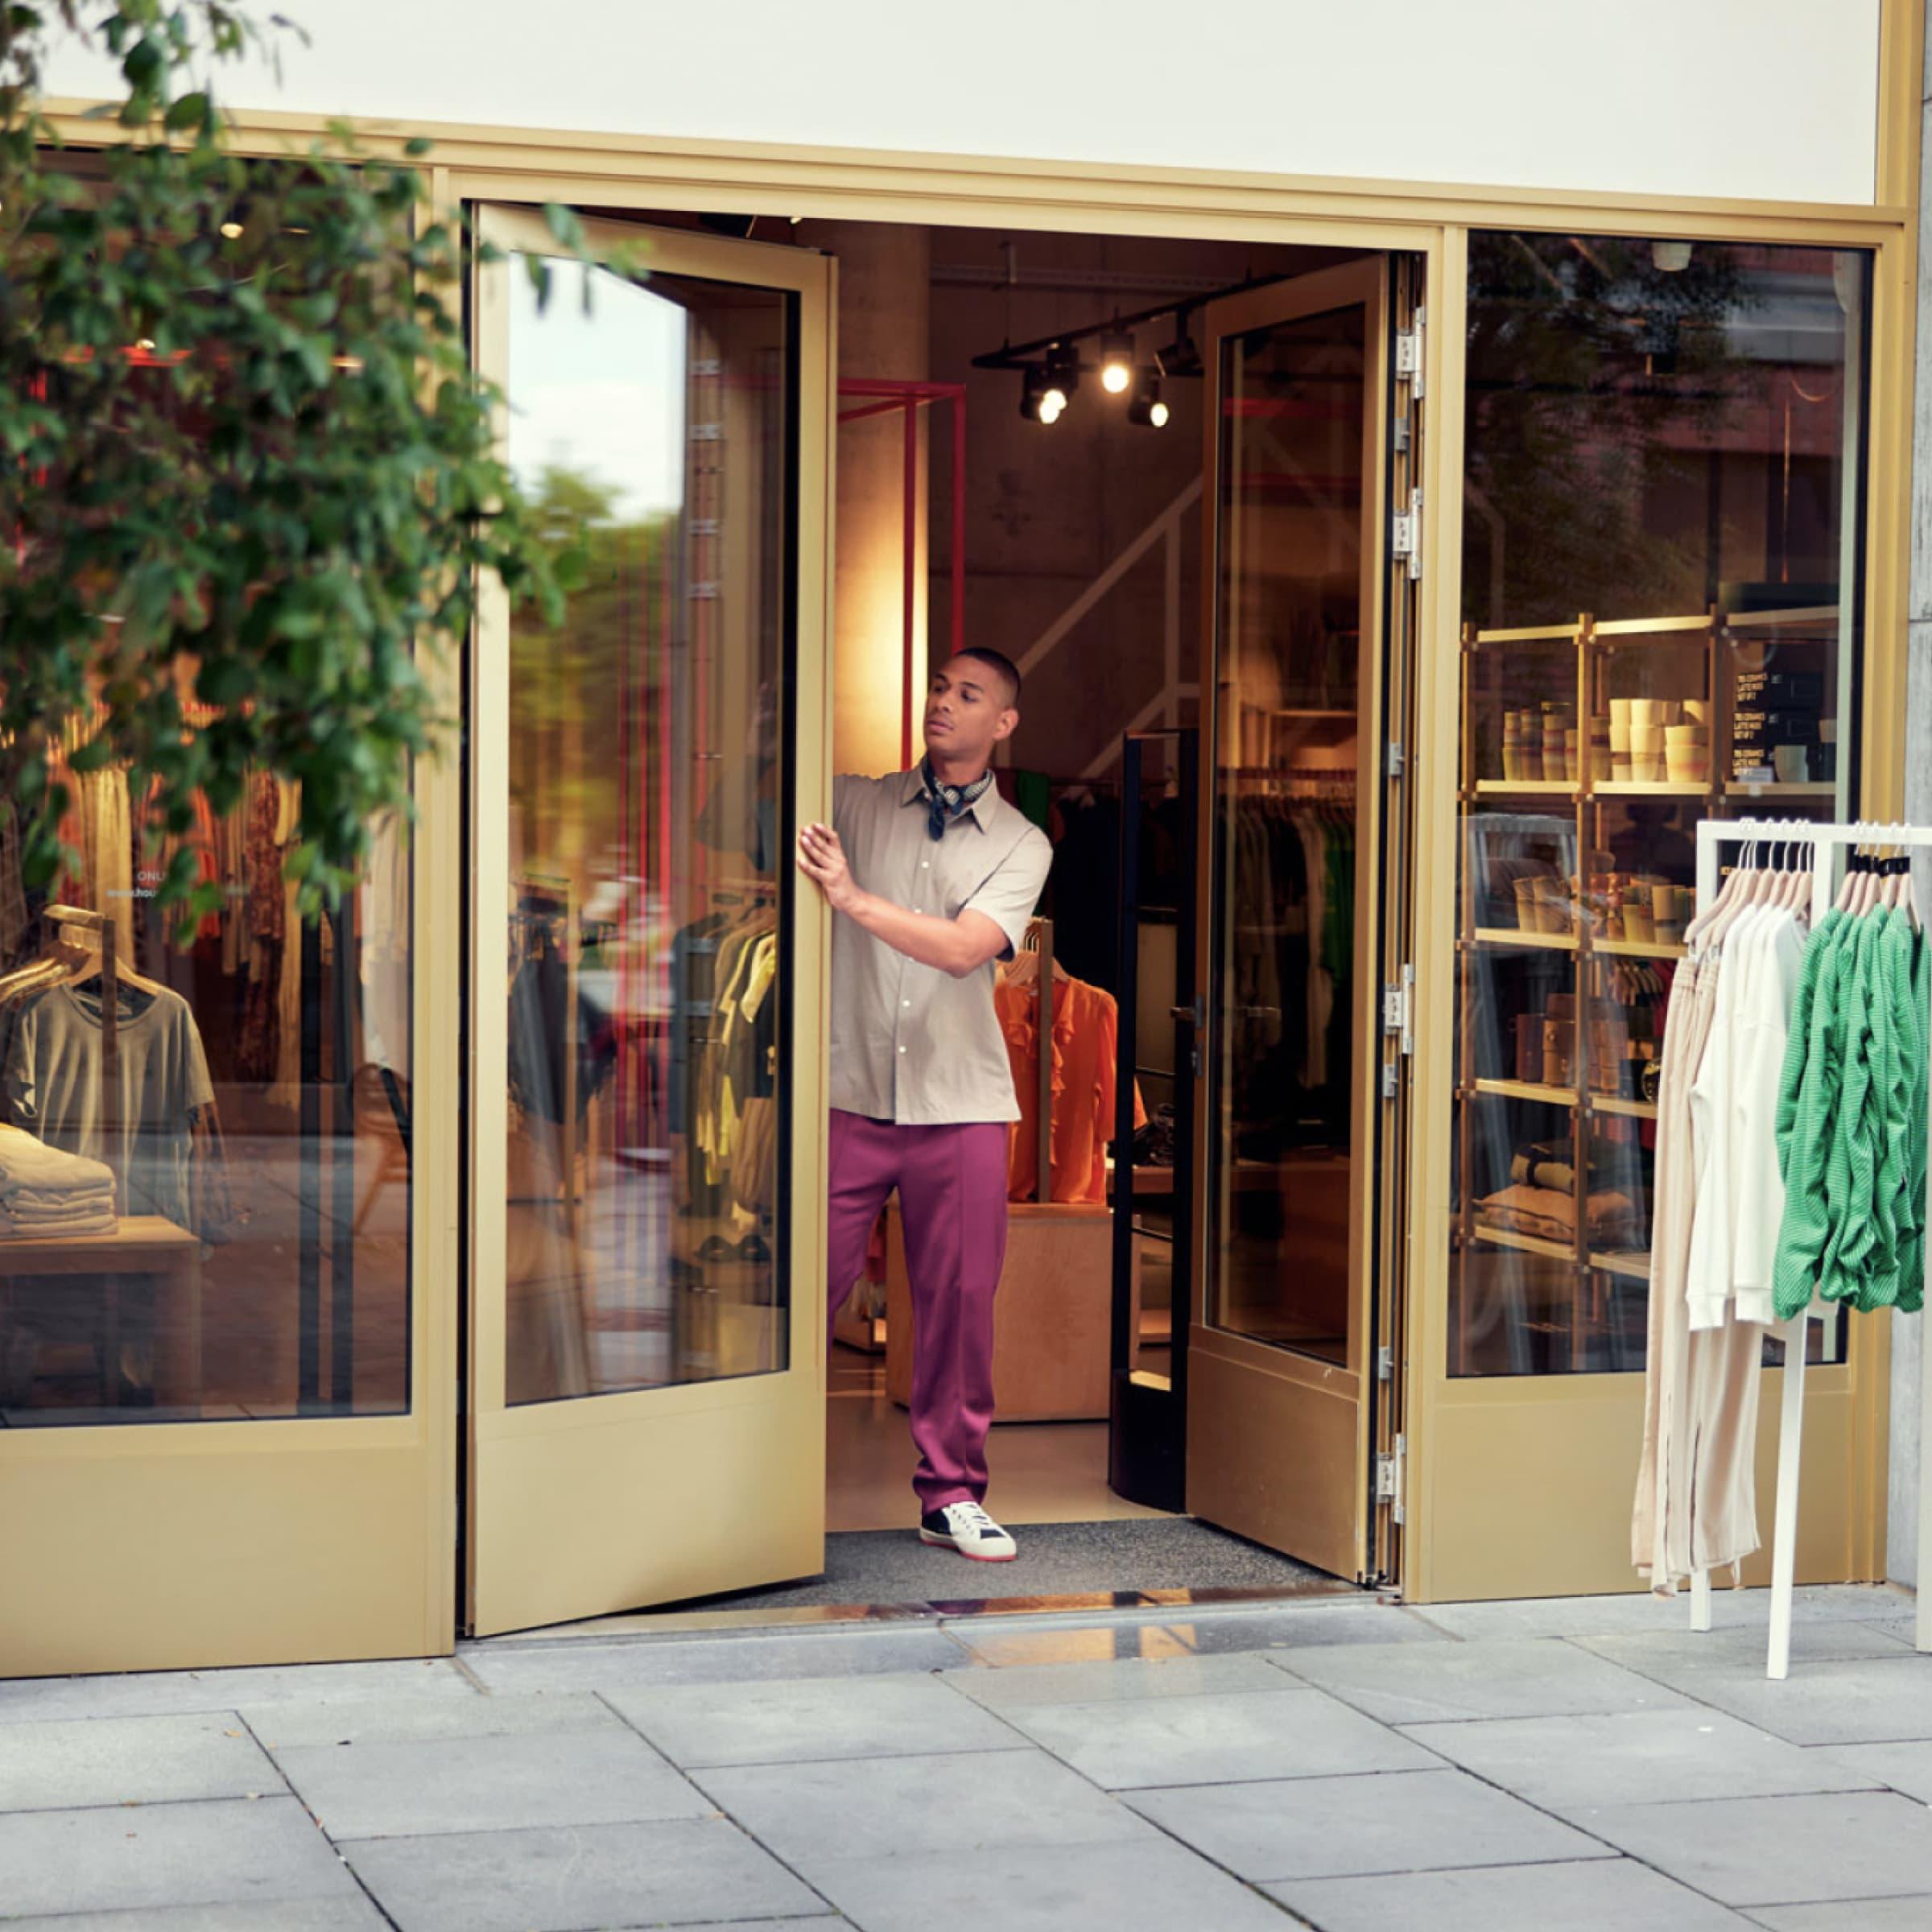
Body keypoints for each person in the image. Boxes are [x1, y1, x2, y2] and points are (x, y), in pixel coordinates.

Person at [795, 647, 1051, 1562]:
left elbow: (962, 950)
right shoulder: (853, 802)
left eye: (967, 694)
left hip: (962, 1105)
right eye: (939, 686)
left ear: (1004, 723)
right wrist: (754, 725)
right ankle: (751, 1469)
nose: (943, 702)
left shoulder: (1025, 844)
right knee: (797, 1293)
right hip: (848, 1094)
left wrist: (851, 898)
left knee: (958, 1306)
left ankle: (951, 1495)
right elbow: (724, 822)